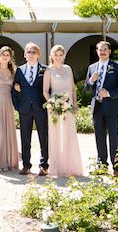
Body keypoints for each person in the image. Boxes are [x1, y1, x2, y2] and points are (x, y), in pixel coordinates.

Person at [85, 41, 118, 177]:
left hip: (111, 108)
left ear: (109, 51)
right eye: (100, 49)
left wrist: (109, 93)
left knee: (114, 138)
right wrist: (91, 81)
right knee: (99, 137)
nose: (102, 51)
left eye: (105, 49)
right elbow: (86, 89)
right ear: (96, 51)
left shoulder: (116, 67)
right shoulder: (92, 68)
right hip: (97, 108)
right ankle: (102, 166)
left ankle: (117, 167)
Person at [43, 45, 83, 177]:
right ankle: (57, 167)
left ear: (64, 56)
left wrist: (75, 104)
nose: (58, 57)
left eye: (61, 55)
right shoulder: (49, 70)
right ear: (52, 56)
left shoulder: (68, 69)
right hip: (55, 106)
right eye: (56, 55)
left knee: (69, 134)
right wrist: (52, 103)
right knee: (56, 135)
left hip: (69, 105)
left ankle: (70, 166)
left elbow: (72, 88)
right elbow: (45, 91)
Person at [12, 42, 48, 176]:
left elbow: (49, 88)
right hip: (25, 109)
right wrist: (18, 107)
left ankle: (44, 165)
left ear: (38, 54)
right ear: (25, 55)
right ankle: (26, 165)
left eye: (33, 52)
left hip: (41, 109)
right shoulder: (20, 70)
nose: (31, 54)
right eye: (28, 52)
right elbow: (14, 89)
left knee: (43, 138)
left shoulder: (45, 69)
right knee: (25, 138)